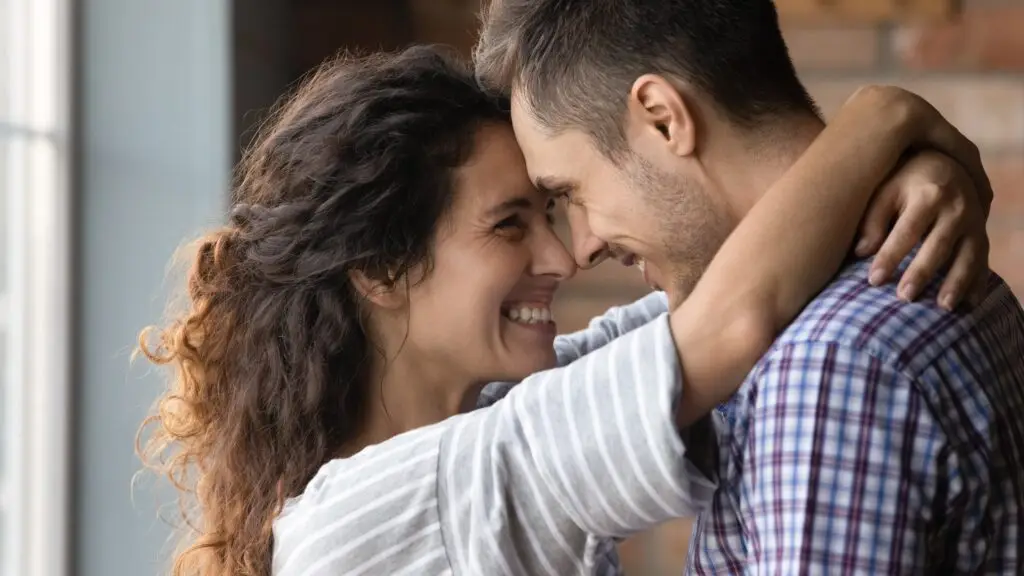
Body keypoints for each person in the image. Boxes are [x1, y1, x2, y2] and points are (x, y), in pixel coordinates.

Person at [138, 47, 993, 576]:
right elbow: (728, 322)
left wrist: (910, 176)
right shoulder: (362, 518)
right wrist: (883, 119)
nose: (562, 256)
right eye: (512, 223)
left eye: (551, 210)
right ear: (381, 268)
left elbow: (719, 295)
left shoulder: (493, 419)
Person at [474, 1, 1024, 573]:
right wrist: (885, 123)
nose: (582, 248)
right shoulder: (920, 273)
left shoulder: (826, 366)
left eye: (572, 194)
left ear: (664, 118)